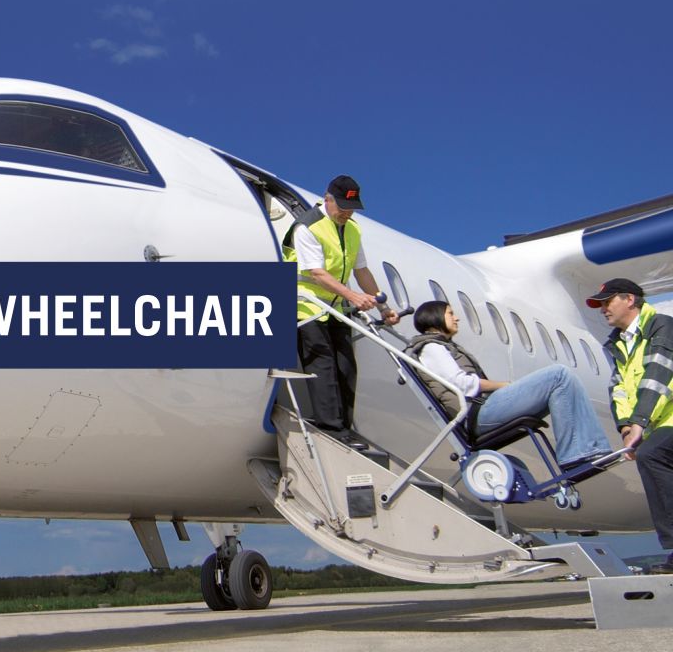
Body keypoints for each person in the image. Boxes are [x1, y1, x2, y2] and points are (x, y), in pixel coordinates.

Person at [403, 300, 611, 469]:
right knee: (559, 375)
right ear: (435, 317)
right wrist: (503, 385)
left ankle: (584, 451)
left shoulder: (441, 346)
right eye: (450, 313)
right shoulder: (431, 348)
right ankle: (578, 453)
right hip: (476, 414)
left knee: (560, 386)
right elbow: (462, 384)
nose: (456, 318)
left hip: (479, 410)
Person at [283, 175, 399, 445]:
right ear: (328, 199)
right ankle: (331, 429)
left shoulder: (353, 229)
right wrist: (353, 296)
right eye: (343, 208)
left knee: (347, 366)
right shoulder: (307, 227)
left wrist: (383, 307)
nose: (348, 213)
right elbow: (317, 273)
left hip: (336, 306)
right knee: (322, 363)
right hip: (306, 305)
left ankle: (344, 427)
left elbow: (362, 272)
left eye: (353, 209)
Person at [587, 278, 673, 574]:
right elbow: (619, 390)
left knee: (652, 455)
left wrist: (639, 423)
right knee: (653, 459)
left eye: (607, 301)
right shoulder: (619, 343)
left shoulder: (661, 326)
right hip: (659, 422)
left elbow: (658, 375)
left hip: (666, 418)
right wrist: (626, 428)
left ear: (630, 299)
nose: (603, 309)